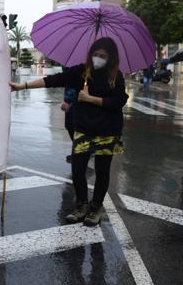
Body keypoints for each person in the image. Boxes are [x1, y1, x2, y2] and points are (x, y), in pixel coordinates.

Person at [10, 37, 128, 226]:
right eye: (95, 54)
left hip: (107, 130)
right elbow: (53, 80)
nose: (98, 58)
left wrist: (91, 99)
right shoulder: (81, 71)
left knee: (102, 171)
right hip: (83, 128)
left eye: (103, 56)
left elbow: (119, 101)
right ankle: (81, 205)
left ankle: (95, 208)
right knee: (78, 169)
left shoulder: (116, 75)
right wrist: (22, 86)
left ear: (111, 58)